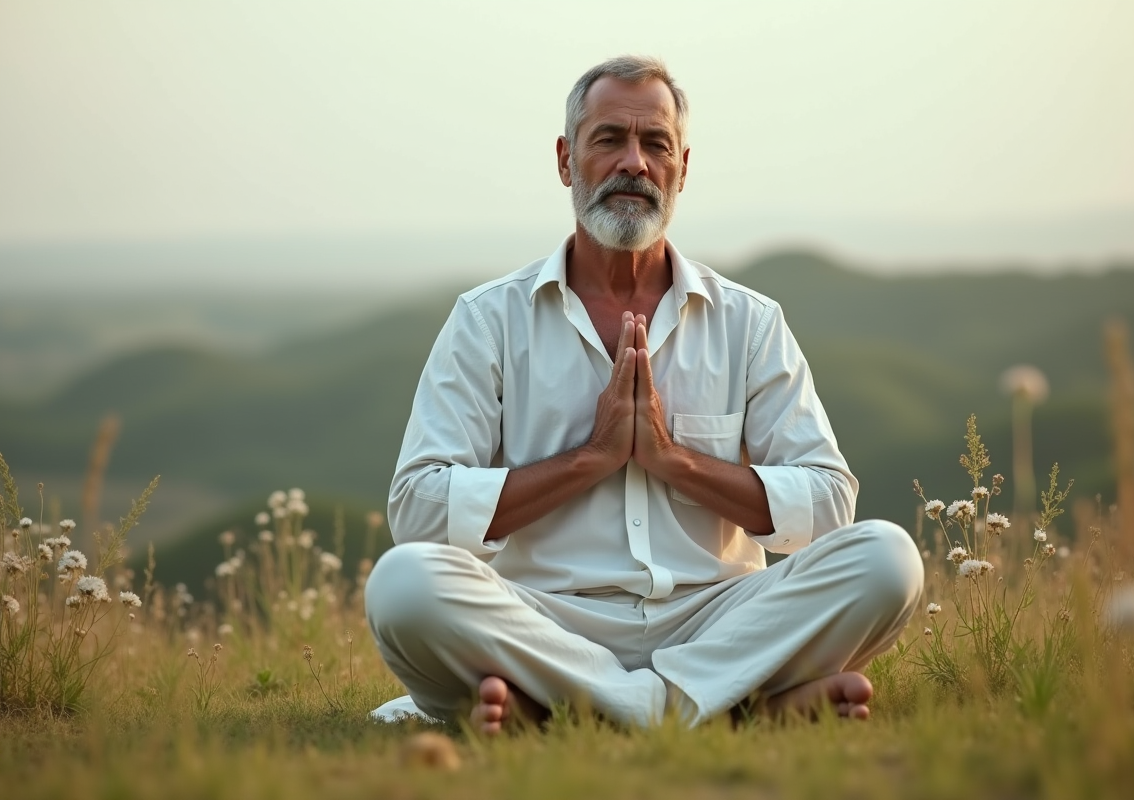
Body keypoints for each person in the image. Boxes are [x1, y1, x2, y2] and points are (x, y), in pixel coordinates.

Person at [365, 55, 923, 734]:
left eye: (655, 143)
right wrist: (590, 459)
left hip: (719, 620)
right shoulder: (488, 320)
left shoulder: (748, 322)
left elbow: (831, 504)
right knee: (404, 586)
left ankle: (567, 713)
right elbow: (417, 509)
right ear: (567, 160)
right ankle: (724, 710)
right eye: (609, 140)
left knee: (887, 560)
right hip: (544, 622)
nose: (634, 161)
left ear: (682, 168)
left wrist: (672, 460)